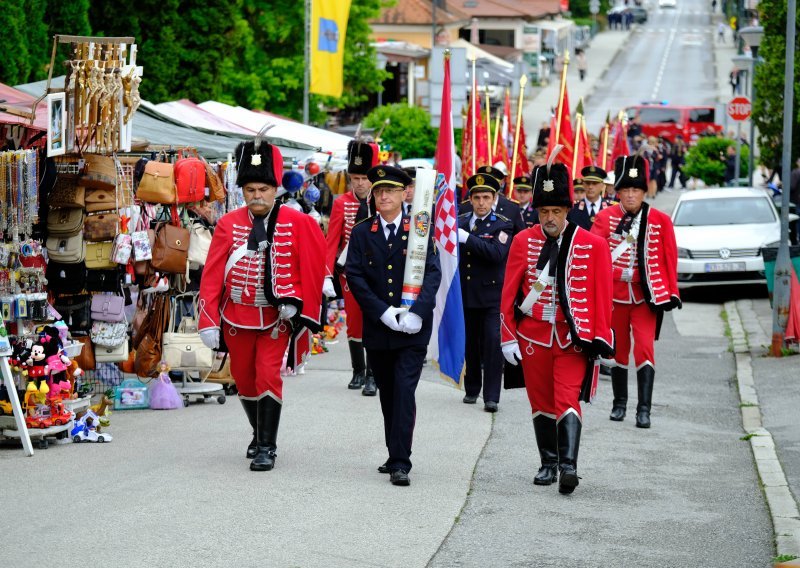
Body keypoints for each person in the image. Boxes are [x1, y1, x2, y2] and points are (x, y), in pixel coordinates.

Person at [199, 138, 326, 471]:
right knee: (243, 378)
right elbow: (213, 276)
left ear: (275, 189)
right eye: (250, 189)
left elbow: (308, 267)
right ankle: (258, 432)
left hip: (275, 318)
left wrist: (296, 302)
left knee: (268, 375)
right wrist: (209, 320)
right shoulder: (228, 224)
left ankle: (267, 446)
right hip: (235, 317)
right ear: (243, 191)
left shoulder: (298, 223)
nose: (256, 195)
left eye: (263, 189)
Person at [500, 151, 614, 494]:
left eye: (556, 211)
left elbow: (602, 296)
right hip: (532, 336)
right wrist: (507, 336)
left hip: (571, 338)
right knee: (540, 401)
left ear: (567, 210)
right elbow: (508, 294)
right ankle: (548, 462)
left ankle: (568, 466)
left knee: (567, 397)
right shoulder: (523, 241)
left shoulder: (592, 245)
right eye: (544, 211)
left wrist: (601, 338)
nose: (549, 218)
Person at [345, 165, 442, 486]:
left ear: (405, 194)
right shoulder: (362, 232)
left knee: (403, 391)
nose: (383, 196)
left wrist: (417, 312)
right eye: (378, 191)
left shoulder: (420, 229)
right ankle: (393, 452)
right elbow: (355, 275)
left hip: (413, 328)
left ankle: (401, 461)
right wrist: (382, 311)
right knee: (388, 392)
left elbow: (431, 273)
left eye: (390, 191)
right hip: (380, 327)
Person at [591, 154, 681, 429]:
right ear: (617, 192)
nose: (630, 196)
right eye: (625, 190)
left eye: (636, 190)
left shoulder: (660, 220)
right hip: (614, 298)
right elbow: (595, 257)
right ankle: (619, 405)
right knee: (618, 353)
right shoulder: (605, 218)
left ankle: (644, 410)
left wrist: (671, 291)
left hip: (645, 298)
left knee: (644, 350)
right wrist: (618, 273)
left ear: (644, 192)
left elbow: (669, 258)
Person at [324, 140, 381, 395]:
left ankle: (373, 374)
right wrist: (327, 274)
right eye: (354, 177)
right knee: (355, 323)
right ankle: (358, 370)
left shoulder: (381, 200)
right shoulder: (341, 203)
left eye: (363, 177)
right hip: (351, 272)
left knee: (375, 322)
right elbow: (331, 241)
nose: (359, 183)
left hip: (378, 273)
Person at [457, 173, 514, 413]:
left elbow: (496, 254)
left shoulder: (502, 223)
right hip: (466, 293)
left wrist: (467, 238)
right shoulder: (459, 221)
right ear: (470, 199)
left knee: (492, 345)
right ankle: (471, 389)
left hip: (491, 296)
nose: (481, 202)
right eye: (477, 197)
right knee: (470, 343)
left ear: (494, 198)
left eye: (486, 197)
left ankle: (491, 396)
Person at [459, 165, 526, 234]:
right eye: (477, 197)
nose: (481, 202)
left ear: (500, 184)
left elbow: (520, 235)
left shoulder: (512, 208)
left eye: (492, 183)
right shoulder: (465, 207)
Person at [568, 165, 613, 230]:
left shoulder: (610, 209)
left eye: (594, 183)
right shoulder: (572, 210)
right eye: (588, 183)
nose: (590, 187)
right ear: (583, 184)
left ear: (603, 186)